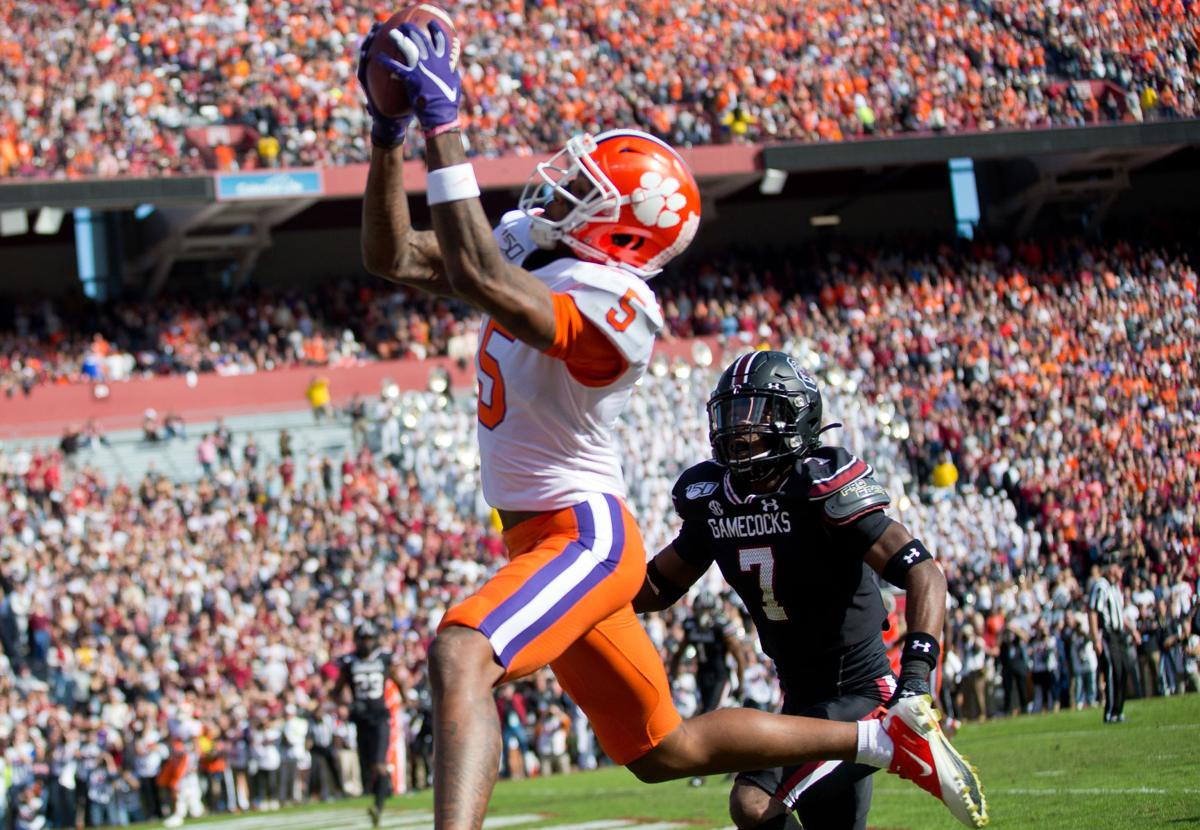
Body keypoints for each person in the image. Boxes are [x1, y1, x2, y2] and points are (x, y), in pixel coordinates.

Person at [357, 22, 987, 830]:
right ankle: (879, 739)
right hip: (536, 536)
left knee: (460, 653)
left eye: (583, 190)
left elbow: (477, 273)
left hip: (581, 536)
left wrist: (444, 132)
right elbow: (393, 257)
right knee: (665, 751)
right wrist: (387, 134)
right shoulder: (540, 246)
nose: (555, 192)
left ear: (623, 230)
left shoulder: (620, 307)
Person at [634, 351, 969, 830]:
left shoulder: (818, 487)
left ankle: (903, 738)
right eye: (731, 415)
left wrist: (915, 679)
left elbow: (923, 572)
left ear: (795, 417)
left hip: (860, 693)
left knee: (753, 801)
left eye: (756, 414)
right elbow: (659, 585)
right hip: (799, 700)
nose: (739, 430)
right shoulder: (715, 500)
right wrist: (589, 601)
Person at [332, 621, 409, 827]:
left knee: (378, 763)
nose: (366, 644)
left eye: (369, 639)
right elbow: (337, 689)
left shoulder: (383, 658)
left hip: (380, 717)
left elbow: (400, 679)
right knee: (367, 766)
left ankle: (378, 807)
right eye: (363, 639)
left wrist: (407, 697)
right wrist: (341, 705)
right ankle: (386, 788)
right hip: (360, 718)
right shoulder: (350, 662)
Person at [1089, 556, 1141, 723]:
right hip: (1108, 634)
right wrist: (1095, 637)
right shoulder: (1101, 586)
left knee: (1124, 670)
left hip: (1119, 635)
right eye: (1120, 568)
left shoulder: (1116, 588)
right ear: (1112, 568)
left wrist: (1132, 630)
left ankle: (1118, 710)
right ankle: (1110, 712)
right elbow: (1093, 611)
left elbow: (1119, 615)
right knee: (1112, 671)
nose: (1122, 571)